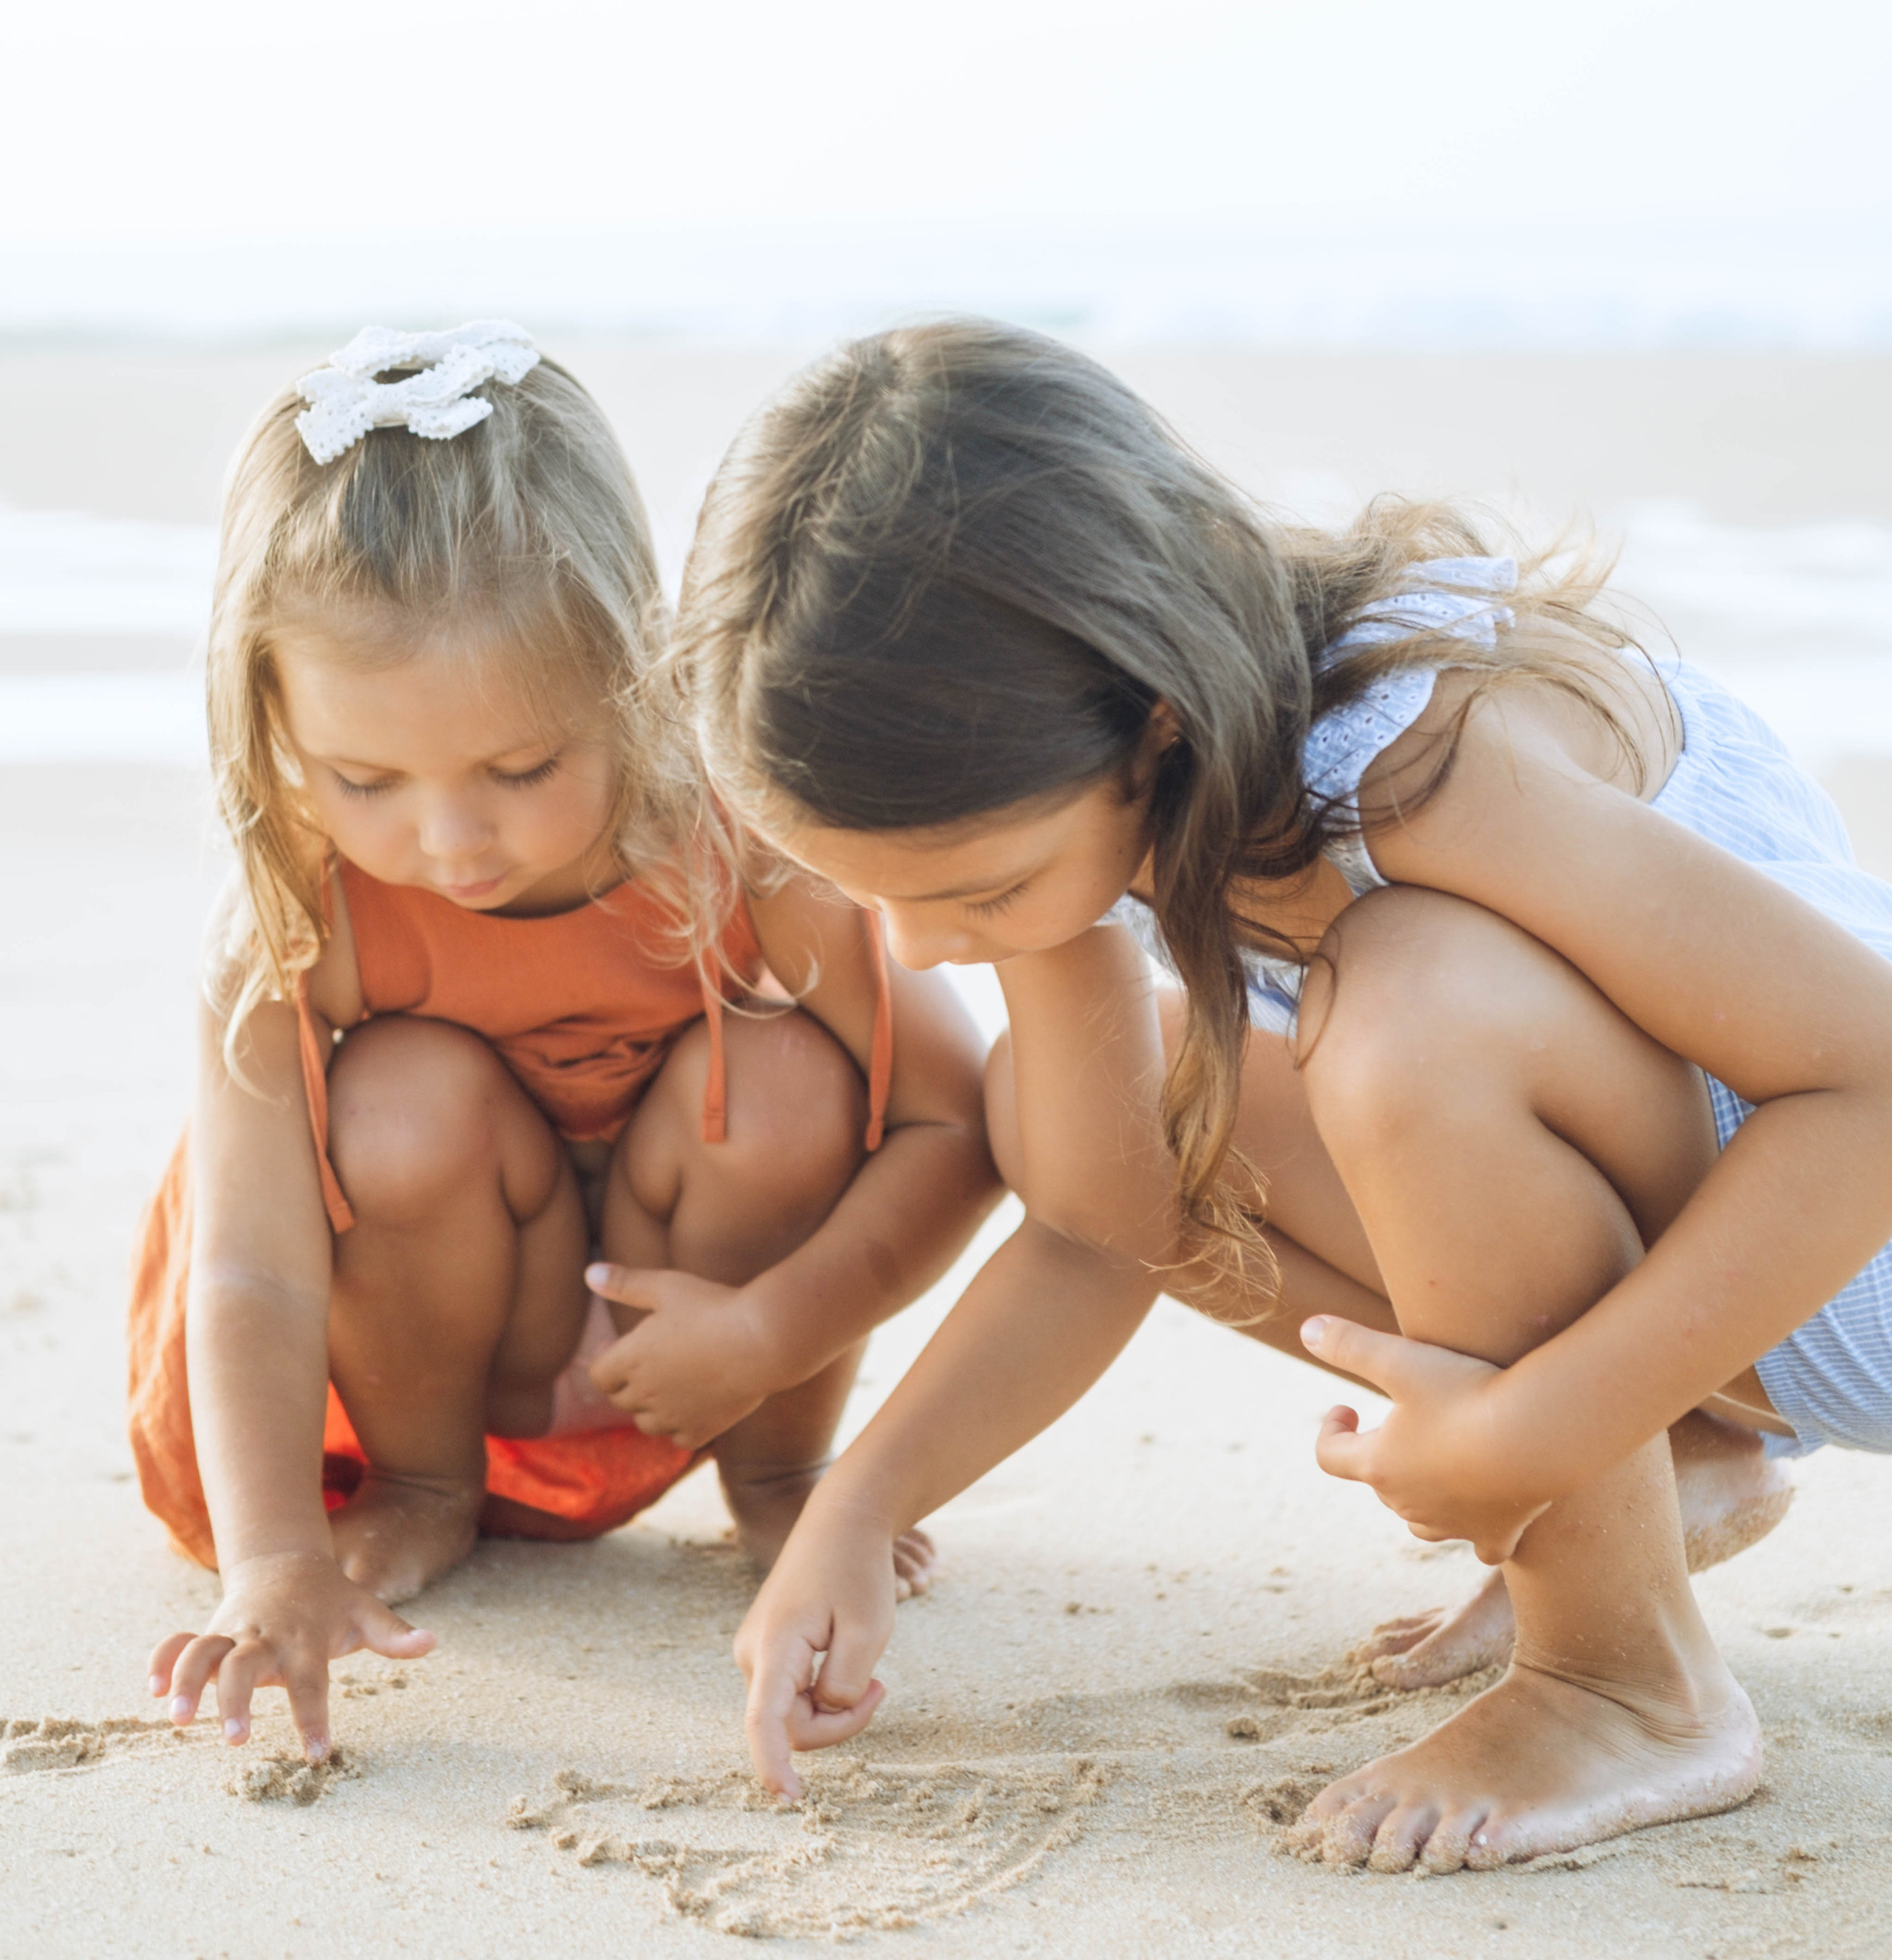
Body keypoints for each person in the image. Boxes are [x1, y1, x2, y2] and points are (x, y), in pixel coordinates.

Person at [676, 316, 1892, 1871]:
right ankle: (1663, 1477)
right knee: (1097, 1124)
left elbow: (1863, 1078)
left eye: (974, 891)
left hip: (1848, 1252)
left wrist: (1536, 1427)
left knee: (1411, 1006)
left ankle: (1618, 1677)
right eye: (876, 903)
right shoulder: (1108, 782)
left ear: (1150, 718)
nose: (918, 949)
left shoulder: (1407, 759)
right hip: (1742, 1295)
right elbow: (1099, 1220)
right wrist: (858, 1501)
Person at [133, 323, 996, 1766]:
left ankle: (782, 1471)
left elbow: (957, 1124)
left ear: (634, 673)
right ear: (270, 718)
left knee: (787, 1083)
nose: (450, 839)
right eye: (365, 778)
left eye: (522, 769)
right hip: (434, 1361)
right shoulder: (296, 917)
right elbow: (249, 1264)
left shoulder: (743, 856)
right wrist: (273, 1552)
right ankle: (428, 1485)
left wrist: (771, 1335)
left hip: (704, 1346)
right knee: (401, 1101)